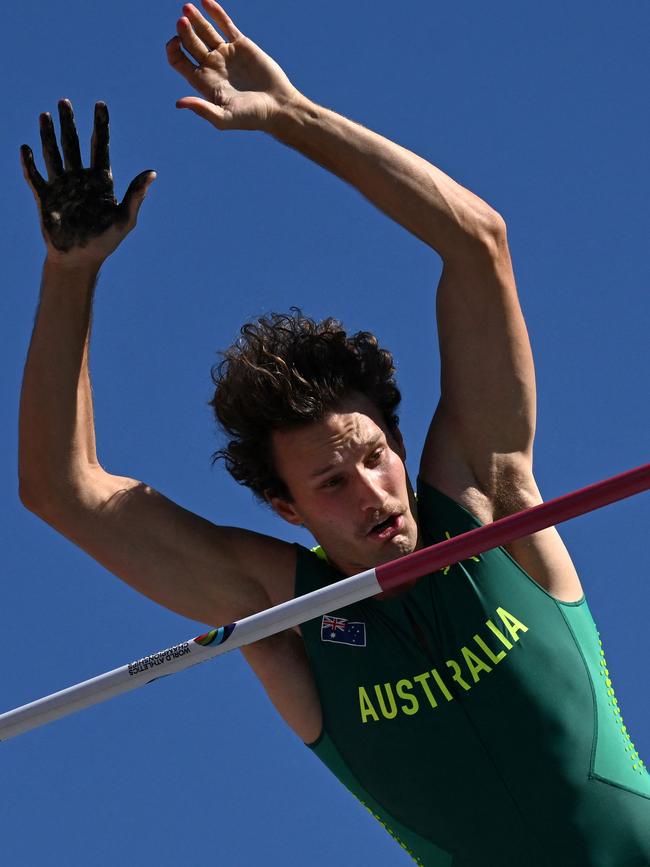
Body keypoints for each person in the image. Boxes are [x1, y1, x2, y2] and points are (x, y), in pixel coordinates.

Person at [18, 2, 650, 864]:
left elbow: (477, 244)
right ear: (285, 506)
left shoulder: (489, 503)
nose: (372, 493)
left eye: (375, 458)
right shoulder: (284, 616)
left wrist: (292, 117)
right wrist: (70, 274)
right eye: (330, 484)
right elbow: (65, 492)